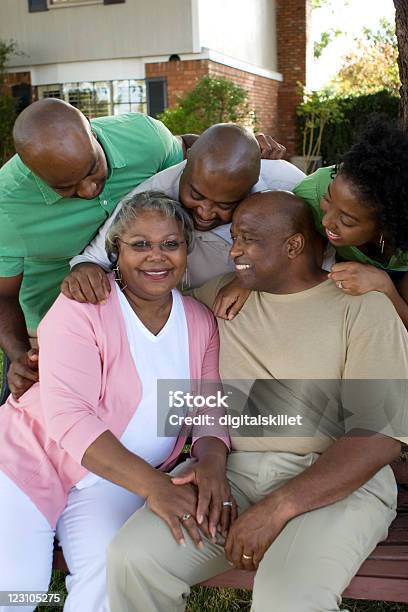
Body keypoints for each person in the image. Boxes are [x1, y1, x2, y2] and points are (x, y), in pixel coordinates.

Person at [107, 191, 408, 612]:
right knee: (133, 559)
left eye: (247, 240)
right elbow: (131, 316)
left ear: (293, 246)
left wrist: (277, 508)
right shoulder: (218, 297)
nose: (233, 251)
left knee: (287, 597)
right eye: (234, 238)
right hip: (232, 473)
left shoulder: (361, 308)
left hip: (339, 482)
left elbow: (379, 439)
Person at [0, 192, 231, 612]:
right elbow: (69, 417)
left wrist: (212, 461)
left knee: (111, 580)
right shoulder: (85, 305)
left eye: (170, 243)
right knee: (17, 587)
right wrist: (156, 487)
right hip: (30, 460)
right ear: (116, 252)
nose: (156, 257)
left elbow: (209, 409)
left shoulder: (198, 321)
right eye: (140, 244)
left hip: (115, 479)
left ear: (186, 249)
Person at [1, 106, 285, 399]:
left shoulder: (142, 136)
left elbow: (191, 157)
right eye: (65, 187)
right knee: (32, 415)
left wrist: (244, 154)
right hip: (45, 321)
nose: (88, 191)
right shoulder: (5, 208)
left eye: (92, 169)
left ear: (91, 129)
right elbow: (2, 296)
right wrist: (22, 354)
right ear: (30, 170)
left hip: (125, 314)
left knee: (132, 402)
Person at [61, 123, 307, 306]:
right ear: (187, 160)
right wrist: (84, 271)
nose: (205, 212)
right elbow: (94, 260)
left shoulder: (287, 184)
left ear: (252, 183)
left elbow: (318, 258)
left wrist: (250, 279)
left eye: (225, 204)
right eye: (196, 195)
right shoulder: (151, 193)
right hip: (188, 312)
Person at [293, 118, 408, 327]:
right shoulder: (312, 192)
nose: (326, 221)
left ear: (386, 224)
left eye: (346, 220)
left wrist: (384, 286)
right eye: (328, 200)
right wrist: (245, 283)